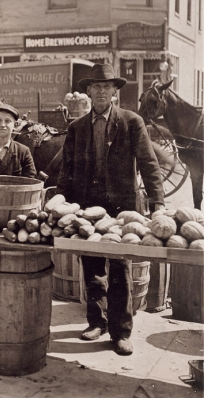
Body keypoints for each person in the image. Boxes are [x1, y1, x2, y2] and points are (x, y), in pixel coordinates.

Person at [56, 63, 165, 356]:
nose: (101, 91)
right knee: (91, 267)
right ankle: (97, 322)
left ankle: (121, 331)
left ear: (115, 92)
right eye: (96, 86)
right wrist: (62, 202)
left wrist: (159, 204)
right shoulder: (76, 128)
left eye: (107, 87)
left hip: (122, 209)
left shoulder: (131, 122)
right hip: (88, 207)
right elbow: (66, 170)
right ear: (88, 91)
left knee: (119, 269)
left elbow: (148, 164)